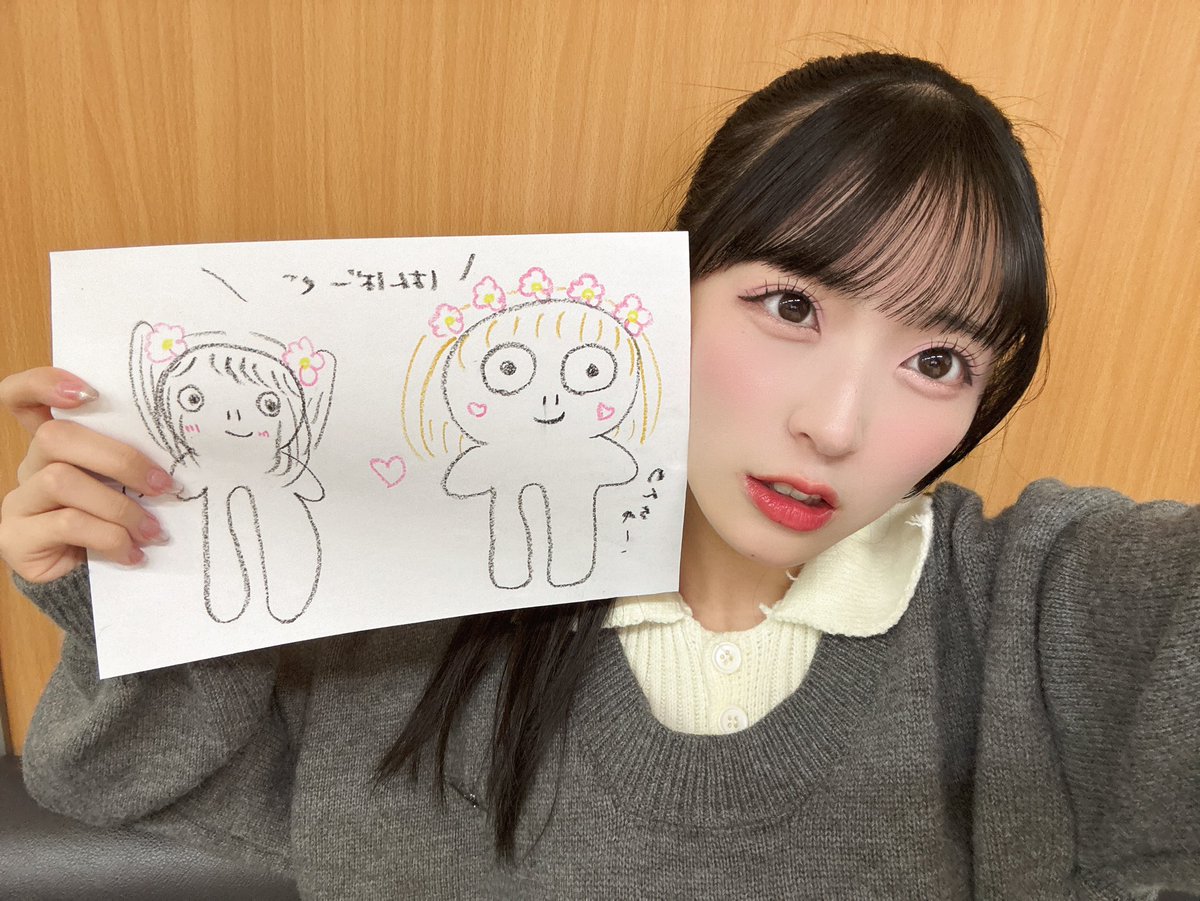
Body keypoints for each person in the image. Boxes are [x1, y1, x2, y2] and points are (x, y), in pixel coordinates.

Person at [0, 51, 1196, 899]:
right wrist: (133, 563)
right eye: (789, 305)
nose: (837, 426)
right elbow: (130, 779)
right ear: (667, 285)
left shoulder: (1040, 605)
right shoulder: (413, 578)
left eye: (938, 361)